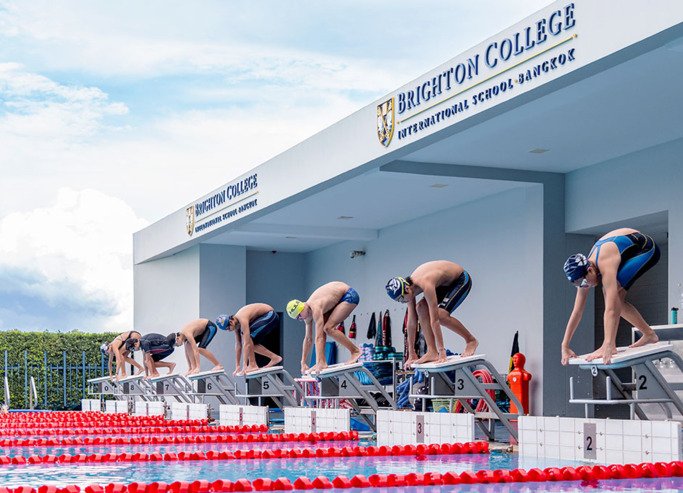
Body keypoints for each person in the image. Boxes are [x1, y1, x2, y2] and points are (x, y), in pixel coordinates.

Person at [561, 228, 661, 365]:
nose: (584, 286)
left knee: (613, 295)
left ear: (589, 270)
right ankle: (649, 334)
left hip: (647, 249)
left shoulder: (604, 261)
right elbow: (577, 312)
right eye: (578, 284)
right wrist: (565, 345)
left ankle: (639, 336)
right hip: (626, 250)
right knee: (614, 295)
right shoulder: (584, 276)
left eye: (583, 282)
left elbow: (611, 308)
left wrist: (608, 344)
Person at [386, 260, 476, 367]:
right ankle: (432, 351)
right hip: (442, 284)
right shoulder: (408, 291)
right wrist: (412, 354)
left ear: (407, 288)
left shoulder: (425, 283)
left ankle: (471, 340)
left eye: (401, 299)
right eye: (399, 301)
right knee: (420, 307)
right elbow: (411, 323)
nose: (403, 302)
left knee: (441, 315)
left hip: (460, 280)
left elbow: (435, 320)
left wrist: (442, 351)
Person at [287, 281, 361, 374]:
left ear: (302, 308)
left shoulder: (315, 307)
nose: (300, 319)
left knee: (328, 328)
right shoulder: (307, 315)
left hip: (348, 295)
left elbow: (319, 338)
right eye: (297, 318)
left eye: (299, 316)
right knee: (323, 330)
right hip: (336, 300)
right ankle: (322, 362)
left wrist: (317, 362)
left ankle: (355, 351)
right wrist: (303, 362)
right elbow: (308, 339)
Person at [216, 303, 282, 375]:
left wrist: (244, 365)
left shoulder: (242, 318)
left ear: (231, 322)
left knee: (248, 337)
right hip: (266, 316)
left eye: (228, 328)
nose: (229, 331)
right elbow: (238, 345)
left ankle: (252, 365)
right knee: (251, 342)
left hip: (270, 315)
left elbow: (246, 343)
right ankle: (274, 358)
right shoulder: (236, 324)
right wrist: (237, 366)